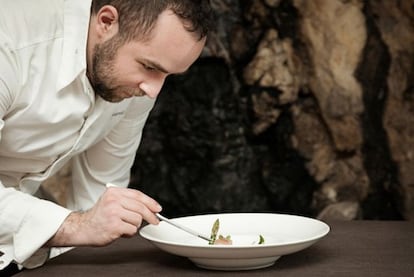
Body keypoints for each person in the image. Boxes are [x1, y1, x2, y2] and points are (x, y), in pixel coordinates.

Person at [0, 0, 214, 272]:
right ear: (106, 22)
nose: (153, 91)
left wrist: (82, 239)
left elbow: (101, 193)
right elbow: (85, 225)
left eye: (168, 75)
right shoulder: (8, 43)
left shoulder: (138, 85)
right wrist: (75, 226)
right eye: (150, 66)